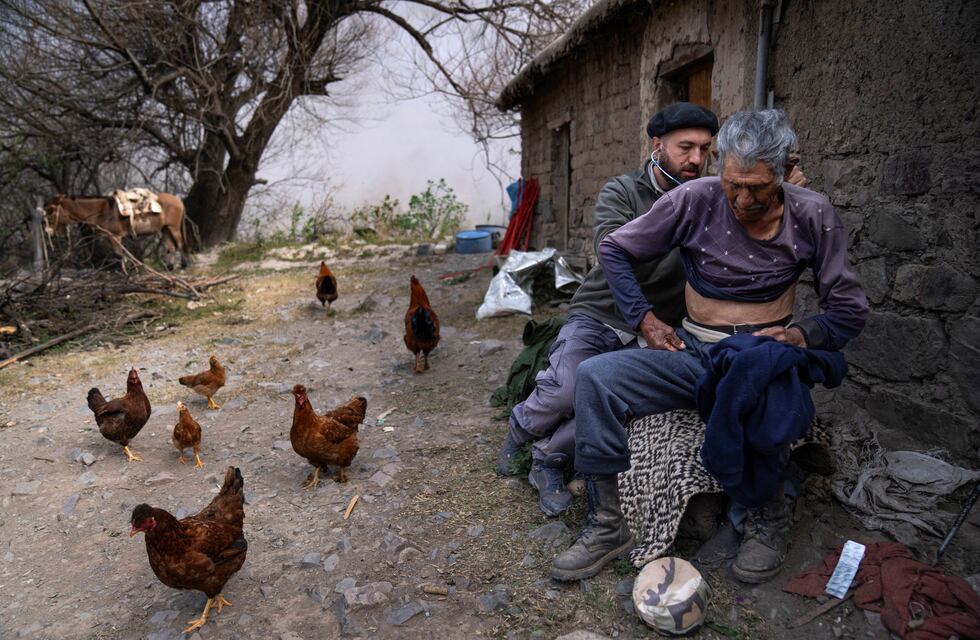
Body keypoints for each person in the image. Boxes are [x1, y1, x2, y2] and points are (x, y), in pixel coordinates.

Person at [550, 109, 869, 584]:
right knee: (597, 378)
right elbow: (614, 248)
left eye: (758, 187)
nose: (742, 198)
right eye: (733, 182)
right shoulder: (697, 199)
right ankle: (607, 525)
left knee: (769, 387)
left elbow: (848, 307)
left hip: (764, 359)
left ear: (785, 170)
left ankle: (766, 519)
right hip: (694, 353)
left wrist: (802, 336)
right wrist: (646, 319)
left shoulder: (812, 214)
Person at [497, 103, 809, 517]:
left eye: (704, 149)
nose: (696, 159)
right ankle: (520, 431)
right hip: (603, 313)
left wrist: (783, 193)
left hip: (667, 326)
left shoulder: (724, 198)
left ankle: (548, 458)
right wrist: (645, 309)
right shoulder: (623, 192)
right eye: (685, 147)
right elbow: (612, 253)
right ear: (657, 145)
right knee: (569, 386)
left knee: (624, 398)